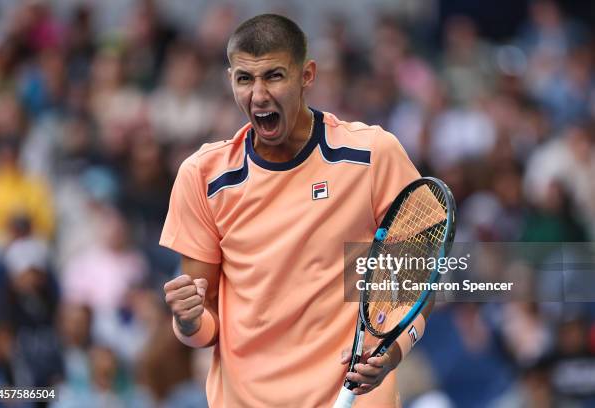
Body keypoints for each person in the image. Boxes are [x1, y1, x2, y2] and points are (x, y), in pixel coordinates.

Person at [161, 13, 431, 407]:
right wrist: (186, 321)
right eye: (244, 79)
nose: (258, 95)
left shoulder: (374, 155)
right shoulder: (202, 177)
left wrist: (393, 352)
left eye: (273, 76)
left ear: (307, 75)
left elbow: (420, 284)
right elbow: (205, 328)